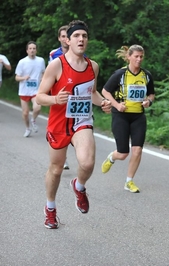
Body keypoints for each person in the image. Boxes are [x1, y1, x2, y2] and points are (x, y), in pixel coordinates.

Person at [36, 20, 112, 229]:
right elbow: (39, 97)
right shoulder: (57, 65)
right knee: (56, 169)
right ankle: (50, 208)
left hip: (82, 121)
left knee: (87, 163)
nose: (81, 39)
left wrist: (103, 102)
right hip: (59, 123)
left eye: (84, 36)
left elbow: (93, 93)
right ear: (67, 40)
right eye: (77, 36)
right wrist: (54, 100)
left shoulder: (93, 66)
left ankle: (79, 186)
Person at [101, 45, 155, 193]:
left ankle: (129, 181)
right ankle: (112, 157)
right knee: (123, 153)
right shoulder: (120, 74)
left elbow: (151, 94)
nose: (139, 59)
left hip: (138, 116)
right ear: (129, 57)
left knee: (137, 151)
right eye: (136, 56)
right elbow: (105, 91)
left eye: (141, 57)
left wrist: (148, 102)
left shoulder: (146, 75)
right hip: (121, 116)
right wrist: (117, 105)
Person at [49, 25, 71, 170]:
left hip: (74, 97)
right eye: (62, 36)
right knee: (61, 128)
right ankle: (62, 158)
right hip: (59, 96)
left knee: (71, 127)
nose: (65, 39)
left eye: (66, 36)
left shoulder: (82, 56)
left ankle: (64, 157)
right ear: (59, 38)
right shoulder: (53, 54)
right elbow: (49, 74)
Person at [15, 41, 46, 137]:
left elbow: (43, 72)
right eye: (30, 49)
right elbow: (16, 77)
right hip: (24, 90)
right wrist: (24, 78)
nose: (32, 50)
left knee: (37, 107)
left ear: (36, 50)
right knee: (25, 113)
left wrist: (43, 78)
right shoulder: (22, 62)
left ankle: (33, 120)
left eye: (34, 48)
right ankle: (27, 128)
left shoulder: (41, 60)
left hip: (35, 90)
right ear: (27, 51)